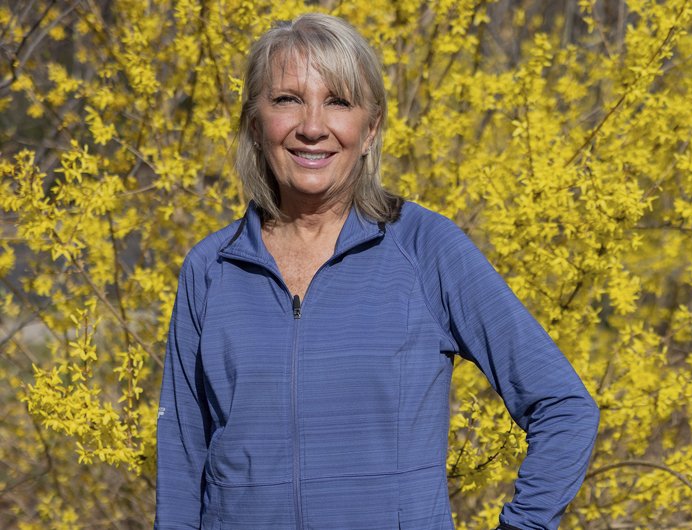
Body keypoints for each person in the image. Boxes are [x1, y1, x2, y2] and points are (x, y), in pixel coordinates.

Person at [155, 13, 599, 530]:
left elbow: (565, 408)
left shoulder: (426, 249)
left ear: (371, 129)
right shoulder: (211, 269)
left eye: (338, 101)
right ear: (256, 124)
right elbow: (184, 464)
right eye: (287, 99)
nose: (313, 126)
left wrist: (523, 524)